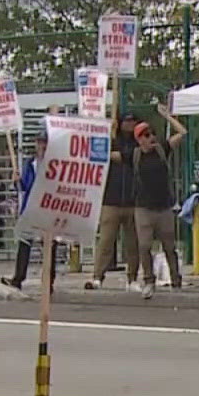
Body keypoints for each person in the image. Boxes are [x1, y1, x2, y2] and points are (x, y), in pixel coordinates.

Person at [130, 112, 187, 299]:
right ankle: (148, 280)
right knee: (144, 245)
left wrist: (167, 117)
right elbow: (109, 154)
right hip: (143, 208)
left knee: (169, 246)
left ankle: (176, 280)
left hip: (164, 207)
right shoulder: (135, 155)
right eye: (146, 135)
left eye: (152, 134)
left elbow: (182, 133)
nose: (151, 138)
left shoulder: (162, 149)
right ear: (138, 139)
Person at [86, 112, 143, 291]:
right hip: (110, 200)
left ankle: (132, 277)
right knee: (106, 241)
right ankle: (97, 276)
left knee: (133, 243)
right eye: (127, 121)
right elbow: (95, 154)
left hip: (133, 201)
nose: (130, 124)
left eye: (133, 120)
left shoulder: (138, 143)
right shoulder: (109, 140)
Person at [0, 135, 50, 296]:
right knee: (24, 242)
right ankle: (18, 278)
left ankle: (49, 281)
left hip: (48, 208)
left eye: (44, 142)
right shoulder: (31, 164)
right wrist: (18, 180)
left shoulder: (53, 163)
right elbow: (25, 186)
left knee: (49, 245)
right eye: (39, 142)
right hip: (31, 208)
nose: (41, 146)